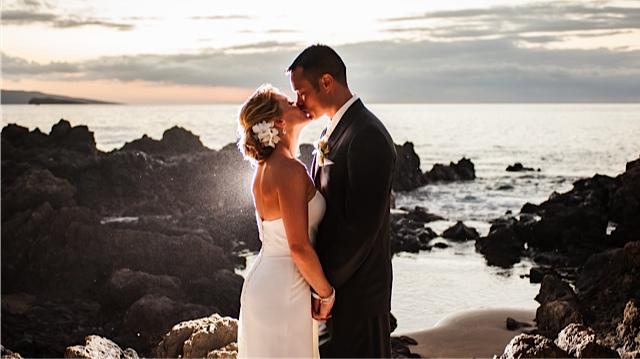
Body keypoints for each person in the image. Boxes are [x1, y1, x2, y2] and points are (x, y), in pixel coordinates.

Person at [288, 44, 397, 358]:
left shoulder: (368, 135)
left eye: (301, 92)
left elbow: (361, 229)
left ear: (326, 82)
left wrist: (324, 288)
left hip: (358, 297)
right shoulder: (332, 131)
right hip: (335, 295)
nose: (298, 101)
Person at [236, 85, 335, 358]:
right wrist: (326, 294)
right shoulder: (289, 170)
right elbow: (298, 247)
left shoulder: (264, 170)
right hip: (285, 289)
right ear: (279, 122)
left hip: (265, 283)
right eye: (289, 101)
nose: (298, 102)